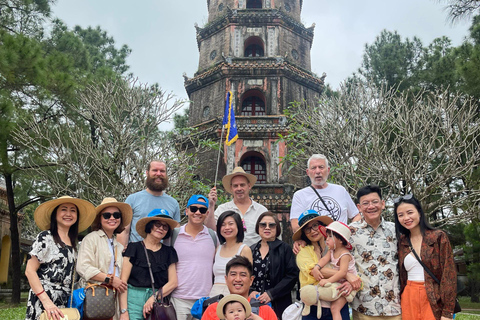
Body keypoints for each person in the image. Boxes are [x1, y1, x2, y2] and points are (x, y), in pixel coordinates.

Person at [25, 196, 96, 320]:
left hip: (65, 301)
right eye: (64, 209)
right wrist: (46, 302)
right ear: (55, 214)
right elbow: (30, 271)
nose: (68, 214)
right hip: (44, 299)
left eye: (73, 210)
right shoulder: (46, 237)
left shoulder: (73, 244)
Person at [394, 194, 456, 320]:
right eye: (400, 215)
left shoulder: (438, 237)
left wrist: (447, 312)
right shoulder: (402, 242)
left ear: (420, 213)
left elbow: (449, 274)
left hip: (433, 296)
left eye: (410, 212)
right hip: (409, 297)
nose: (406, 218)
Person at [348, 185, 401, 320]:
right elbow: (337, 259)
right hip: (364, 307)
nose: (371, 206)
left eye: (375, 202)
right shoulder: (350, 232)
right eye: (365, 203)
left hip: (394, 307)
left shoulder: (396, 230)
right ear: (359, 208)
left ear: (383, 204)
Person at [76, 197, 133, 320]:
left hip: (114, 300)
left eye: (116, 215)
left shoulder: (118, 245)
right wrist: (110, 279)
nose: (112, 218)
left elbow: (122, 282)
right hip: (95, 296)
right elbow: (83, 267)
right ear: (99, 219)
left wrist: (124, 311)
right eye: (107, 215)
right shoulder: (91, 239)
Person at [119, 209, 179, 320]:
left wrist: (153, 298)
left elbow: (173, 282)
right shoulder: (133, 248)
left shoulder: (169, 252)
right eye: (158, 224)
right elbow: (123, 282)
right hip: (133, 300)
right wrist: (124, 311)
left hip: (157, 302)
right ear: (149, 226)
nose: (161, 228)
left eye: (165, 227)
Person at [169, 195, 218, 320]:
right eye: (193, 209)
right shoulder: (174, 235)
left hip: (204, 299)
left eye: (202, 210)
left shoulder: (213, 237)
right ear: (187, 211)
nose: (197, 212)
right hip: (179, 298)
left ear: (207, 213)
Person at [294, 210, 350, 320]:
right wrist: (347, 275)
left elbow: (352, 266)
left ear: (323, 227)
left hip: (338, 301)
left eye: (315, 225)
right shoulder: (303, 250)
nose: (313, 231)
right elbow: (314, 272)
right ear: (304, 233)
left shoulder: (337, 247)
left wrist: (350, 282)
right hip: (313, 306)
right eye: (307, 229)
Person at [290, 154, 361, 233]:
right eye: (313, 168)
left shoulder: (340, 190)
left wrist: (348, 232)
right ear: (308, 172)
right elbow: (295, 225)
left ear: (328, 170)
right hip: (316, 244)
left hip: (340, 243)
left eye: (321, 167)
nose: (317, 171)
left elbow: (356, 216)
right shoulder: (300, 195)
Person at [118, 160, 181, 247]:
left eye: (162, 171)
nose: (158, 174)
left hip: (163, 257)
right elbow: (124, 231)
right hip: (135, 256)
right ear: (147, 173)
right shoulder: (132, 199)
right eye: (155, 170)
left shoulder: (173, 203)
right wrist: (122, 256)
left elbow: (175, 235)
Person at [249, 211, 298, 319]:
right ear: (258, 227)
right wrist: (251, 291)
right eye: (263, 225)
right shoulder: (251, 249)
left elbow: (292, 275)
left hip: (278, 302)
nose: (267, 227)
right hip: (254, 303)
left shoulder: (284, 248)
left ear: (277, 229)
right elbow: (246, 275)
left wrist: (271, 294)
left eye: (271, 225)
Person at [206, 167, 268, 246]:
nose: (239, 189)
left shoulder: (261, 211)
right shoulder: (223, 209)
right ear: (231, 188)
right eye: (235, 186)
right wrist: (211, 206)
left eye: (242, 185)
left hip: (255, 256)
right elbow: (211, 231)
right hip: (229, 256)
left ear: (249, 186)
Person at [201, 256, 277, 320]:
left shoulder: (265, 310)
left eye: (243, 275)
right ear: (226, 279)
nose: (237, 279)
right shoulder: (213, 309)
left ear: (251, 280)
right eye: (233, 274)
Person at [315, 221, 358, 320]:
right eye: (327, 237)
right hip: (338, 283)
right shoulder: (331, 251)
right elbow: (324, 260)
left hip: (347, 286)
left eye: (330, 237)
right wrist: (316, 267)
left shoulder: (345, 254)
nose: (327, 240)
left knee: (335, 308)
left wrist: (327, 280)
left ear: (341, 240)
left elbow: (343, 273)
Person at [210, 210, 253, 297]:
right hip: (214, 293)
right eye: (223, 224)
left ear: (238, 226)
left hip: (234, 294)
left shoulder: (244, 249)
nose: (227, 228)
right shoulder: (218, 248)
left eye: (230, 224)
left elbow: (247, 277)